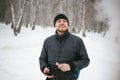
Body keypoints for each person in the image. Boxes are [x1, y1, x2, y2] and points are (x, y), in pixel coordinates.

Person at [39, 13, 90, 80]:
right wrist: (44, 68)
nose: (62, 23)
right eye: (59, 21)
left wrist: (71, 66)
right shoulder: (48, 41)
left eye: (64, 21)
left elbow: (85, 60)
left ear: (68, 25)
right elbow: (42, 59)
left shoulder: (77, 41)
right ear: (55, 25)